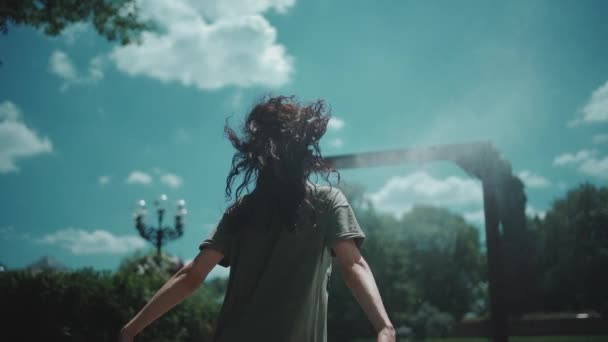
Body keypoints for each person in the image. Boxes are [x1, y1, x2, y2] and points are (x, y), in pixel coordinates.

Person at [118, 96, 395, 342]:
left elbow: (192, 276)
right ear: (304, 151)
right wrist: (384, 327)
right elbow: (353, 264)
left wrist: (131, 329)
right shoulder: (326, 202)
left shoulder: (241, 211)